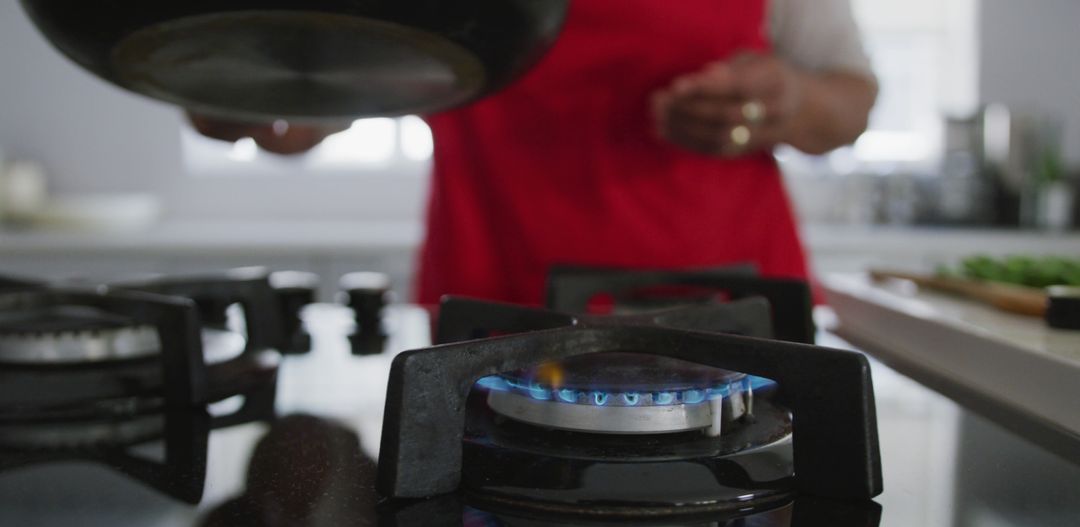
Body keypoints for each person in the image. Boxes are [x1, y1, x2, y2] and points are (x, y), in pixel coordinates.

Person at [191, 0, 877, 306]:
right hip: (495, 308)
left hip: (728, 308)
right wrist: (256, 87)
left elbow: (849, 103)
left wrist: (782, 102)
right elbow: (324, 98)